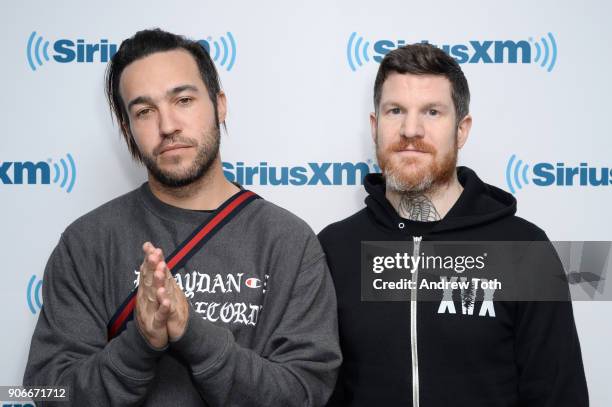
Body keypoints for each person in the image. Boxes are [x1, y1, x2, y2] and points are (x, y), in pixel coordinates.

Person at [23, 28, 341, 406]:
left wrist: (193, 333)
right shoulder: (86, 243)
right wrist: (138, 342)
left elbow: (306, 393)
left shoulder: (288, 240)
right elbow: (46, 391)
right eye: (144, 111)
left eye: (184, 100)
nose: (168, 125)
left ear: (220, 105)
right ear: (127, 129)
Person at [318, 44, 588, 406]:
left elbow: (559, 394)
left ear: (462, 130)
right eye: (395, 110)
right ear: (375, 125)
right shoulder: (335, 248)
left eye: (432, 112)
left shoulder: (523, 249)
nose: (411, 129)